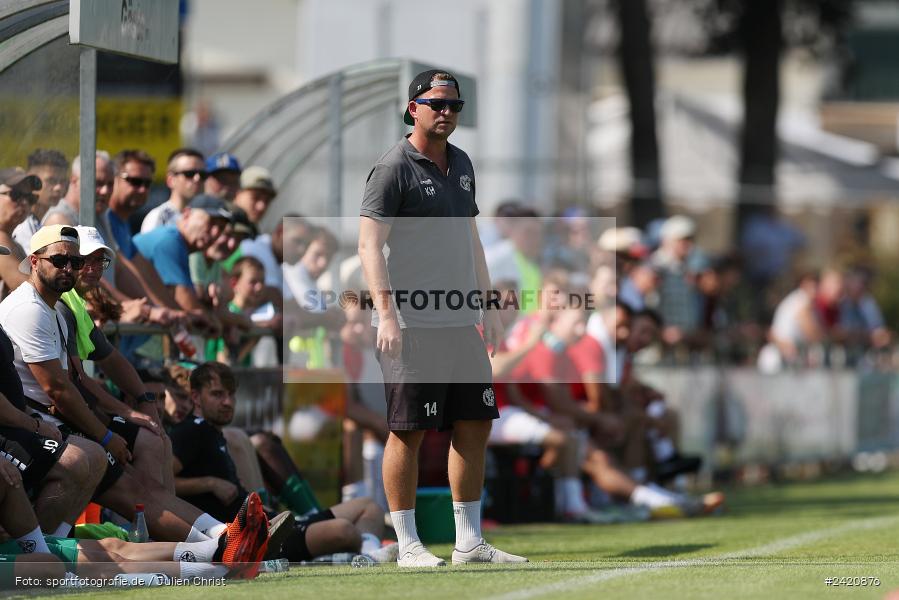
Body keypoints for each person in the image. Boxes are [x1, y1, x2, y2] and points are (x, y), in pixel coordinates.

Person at [359, 69, 526, 567]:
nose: (447, 113)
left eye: (455, 105)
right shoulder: (392, 168)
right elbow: (369, 246)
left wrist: (489, 308)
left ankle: (468, 543)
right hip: (410, 324)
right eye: (437, 104)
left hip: (460, 322)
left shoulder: (463, 163)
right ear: (414, 108)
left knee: (474, 423)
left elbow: (471, 241)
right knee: (408, 430)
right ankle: (407, 544)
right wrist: (386, 315)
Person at [0, 225, 236, 543]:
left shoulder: (57, 310)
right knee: (99, 463)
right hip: (36, 423)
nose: (73, 268)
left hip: (49, 419)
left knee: (142, 460)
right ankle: (39, 552)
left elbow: (77, 380)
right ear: (34, 260)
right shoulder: (30, 309)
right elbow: (59, 390)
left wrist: (135, 405)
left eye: (77, 262)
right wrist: (106, 433)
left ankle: (220, 538)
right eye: (60, 261)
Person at [169, 362, 397, 563]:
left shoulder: (212, 432)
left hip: (273, 522)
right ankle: (352, 552)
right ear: (196, 397)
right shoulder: (192, 432)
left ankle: (368, 556)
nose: (227, 402)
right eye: (217, 395)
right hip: (257, 538)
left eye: (231, 394)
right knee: (344, 530)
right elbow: (163, 482)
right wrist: (209, 483)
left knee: (371, 508)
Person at [12, 150, 68, 252]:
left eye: (62, 181)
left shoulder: (39, 221)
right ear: (31, 181)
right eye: (51, 180)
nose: (58, 188)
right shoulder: (21, 226)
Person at [141, 149, 207, 233]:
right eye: (189, 174)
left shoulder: (212, 216)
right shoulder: (158, 217)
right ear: (170, 180)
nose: (197, 179)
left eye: (203, 175)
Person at [0, 169, 42, 296]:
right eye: (16, 195)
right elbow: (26, 288)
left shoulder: (11, 240)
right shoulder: (1, 239)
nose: (24, 203)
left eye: (30, 198)